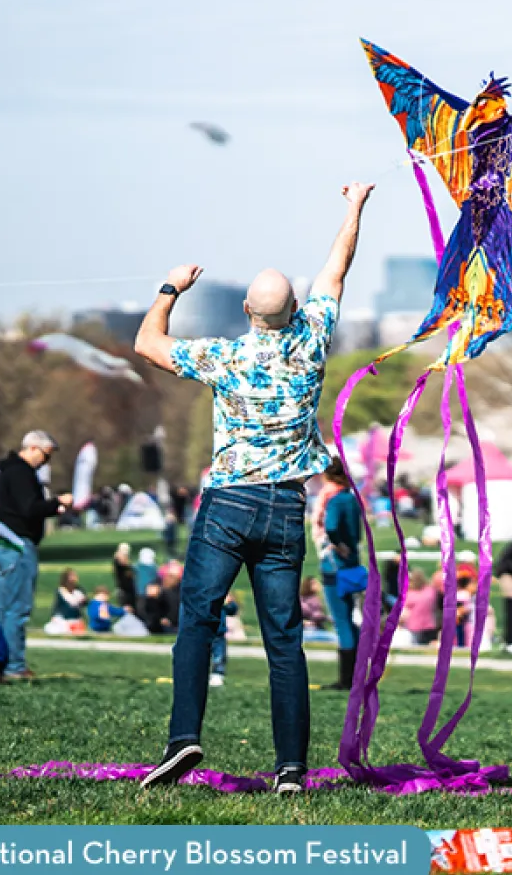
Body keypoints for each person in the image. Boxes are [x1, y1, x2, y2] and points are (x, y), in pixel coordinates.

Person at [132, 180, 375, 793]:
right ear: (293, 310)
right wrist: (354, 206)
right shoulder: (314, 338)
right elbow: (337, 269)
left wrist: (170, 289)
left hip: (230, 503)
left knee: (198, 619)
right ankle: (291, 768)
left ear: (248, 311)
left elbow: (147, 344)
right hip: (286, 509)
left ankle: (184, 738)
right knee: (284, 640)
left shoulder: (227, 356)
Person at [0, 431, 72, 679]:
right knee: (17, 607)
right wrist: (57, 504)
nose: (47, 462)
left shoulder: (7, 471)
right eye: (46, 456)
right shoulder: (22, 473)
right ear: (33, 448)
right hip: (17, 543)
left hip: (1, 541)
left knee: (1, 607)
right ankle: (14, 665)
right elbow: (29, 508)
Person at [317, 458, 364, 688]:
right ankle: (356, 674)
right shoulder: (353, 499)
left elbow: (332, 526)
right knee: (351, 618)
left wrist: (337, 543)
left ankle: (346, 680)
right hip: (353, 565)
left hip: (335, 566)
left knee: (341, 621)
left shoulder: (335, 501)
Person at [402, 570, 440, 646]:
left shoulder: (409, 595)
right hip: (430, 625)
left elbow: (404, 612)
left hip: (414, 626)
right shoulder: (431, 591)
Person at [45, 569, 87, 635]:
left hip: (76, 618)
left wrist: (83, 600)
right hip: (62, 618)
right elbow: (56, 606)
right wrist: (53, 616)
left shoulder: (79, 590)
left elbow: (85, 604)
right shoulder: (61, 591)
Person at [209, 594, 239, 688]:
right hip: (206, 631)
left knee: (219, 656)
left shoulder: (222, 598)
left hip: (219, 633)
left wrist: (230, 602)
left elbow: (232, 611)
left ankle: (217, 675)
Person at [301, 577, 336, 643]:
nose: (318, 585)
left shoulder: (316, 598)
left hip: (318, 627)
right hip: (309, 629)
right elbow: (315, 615)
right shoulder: (304, 600)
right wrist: (327, 618)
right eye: (315, 583)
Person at [112, 543, 137, 609]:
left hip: (129, 589)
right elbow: (121, 561)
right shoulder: (118, 561)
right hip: (124, 590)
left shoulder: (126, 564)